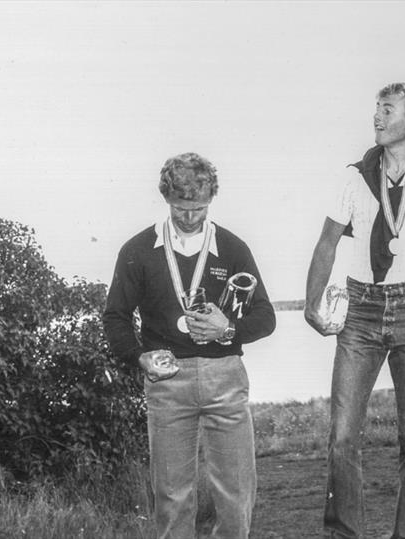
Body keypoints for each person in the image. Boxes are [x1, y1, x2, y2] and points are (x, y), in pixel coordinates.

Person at [304, 82, 405, 538]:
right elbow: (326, 243)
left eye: (387, 109)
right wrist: (310, 303)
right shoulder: (355, 176)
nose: (376, 116)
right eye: (375, 107)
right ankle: (345, 534)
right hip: (358, 310)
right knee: (341, 436)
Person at [102, 152, 276, 539]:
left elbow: (266, 318)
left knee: (236, 494)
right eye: (181, 208)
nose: (190, 218)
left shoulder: (232, 248)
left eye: (199, 208)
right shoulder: (137, 250)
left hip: (225, 378)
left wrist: (227, 328)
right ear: (166, 198)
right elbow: (115, 317)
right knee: (172, 496)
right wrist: (139, 356)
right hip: (167, 382)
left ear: (211, 199)